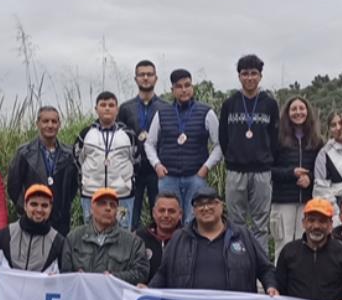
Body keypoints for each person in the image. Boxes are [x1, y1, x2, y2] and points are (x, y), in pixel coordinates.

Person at [149, 186, 278, 296]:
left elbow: (265, 269)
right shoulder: (179, 238)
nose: (205, 208)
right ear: (194, 210)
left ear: (221, 205)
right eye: (200, 204)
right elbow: (163, 273)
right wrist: (146, 292)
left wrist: (271, 286)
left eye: (211, 203)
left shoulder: (243, 235)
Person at [144, 69, 223, 223]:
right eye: (179, 86)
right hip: (168, 177)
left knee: (193, 221)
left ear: (192, 87)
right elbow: (149, 143)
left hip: (196, 177)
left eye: (187, 85)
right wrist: (157, 165)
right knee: (170, 221)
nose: (184, 90)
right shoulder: (162, 113)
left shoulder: (206, 112)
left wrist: (206, 167)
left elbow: (219, 144)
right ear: (172, 90)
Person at [219, 54, 281, 251]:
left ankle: (260, 262)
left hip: (261, 170)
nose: (249, 78)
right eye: (245, 74)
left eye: (254, 73)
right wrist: (232, 157)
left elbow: (274, 136)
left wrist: (266, 159)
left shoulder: (269, 104)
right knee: (235, 221)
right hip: (235, 170)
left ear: (260, 76)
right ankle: (237, 259)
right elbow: (223, 137)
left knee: (260, 224)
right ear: (239, 76)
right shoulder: (230, 103)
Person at [7, 106, 79, 236]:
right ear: (38, 124)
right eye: (45, 121)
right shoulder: (24, 153)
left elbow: (73, 187)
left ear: (59, 124)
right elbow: (14, 187)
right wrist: (28, 209)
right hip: (33, 218)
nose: (50, 125)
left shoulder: (69, 154)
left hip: (60, 221)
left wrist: (63, 206)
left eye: (54, 121)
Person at [60, 188, 149, 285]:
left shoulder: (133, 242)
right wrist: (76, 276)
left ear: (117, 211)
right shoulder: (73, 238)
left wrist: (114, 277)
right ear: (91, 209)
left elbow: (142, 273)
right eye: (102, 203)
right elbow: (64, 274)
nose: (108, 208)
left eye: (113, 205)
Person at [118, 60, 169, 229]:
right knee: (129, 219)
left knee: (161, 217)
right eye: (141, 75)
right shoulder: (125, 108)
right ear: (135, 79)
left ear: (156, 78)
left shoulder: (166, 107)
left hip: (158, 171)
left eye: (149, 74)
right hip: (133, 172)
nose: (145, 78)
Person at [77, 91, 139, 230]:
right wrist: (86, 181)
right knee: (91, 232)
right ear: (96, 109)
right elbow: (78, 160)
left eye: (111, 105)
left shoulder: (129, 134)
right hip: (92, 194)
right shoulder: (86, 134)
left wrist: (125, 182)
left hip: (122, 195)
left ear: (117, 109)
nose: (107, 108)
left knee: (122, 232)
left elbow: (136, 161)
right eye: (103, 105)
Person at [270, 96, 322, 257]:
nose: (298, 112)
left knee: (305, 243)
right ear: (287, 113)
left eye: (301, 108)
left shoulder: (317, 140)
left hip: (307, 200)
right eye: (294, 109)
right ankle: (279, 274)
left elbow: (321, 169)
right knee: (282, 244)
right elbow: (267, 170)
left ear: (308, 112)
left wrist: (310, 178)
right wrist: (291, 173)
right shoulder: (276, 138)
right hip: (282, 200)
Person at [136, 192, 182, 283]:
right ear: (153, 212)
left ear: (180, 214)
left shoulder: (189, 239)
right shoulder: (139, 238)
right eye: (161, 210)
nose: (166, 215)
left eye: (171, 211)